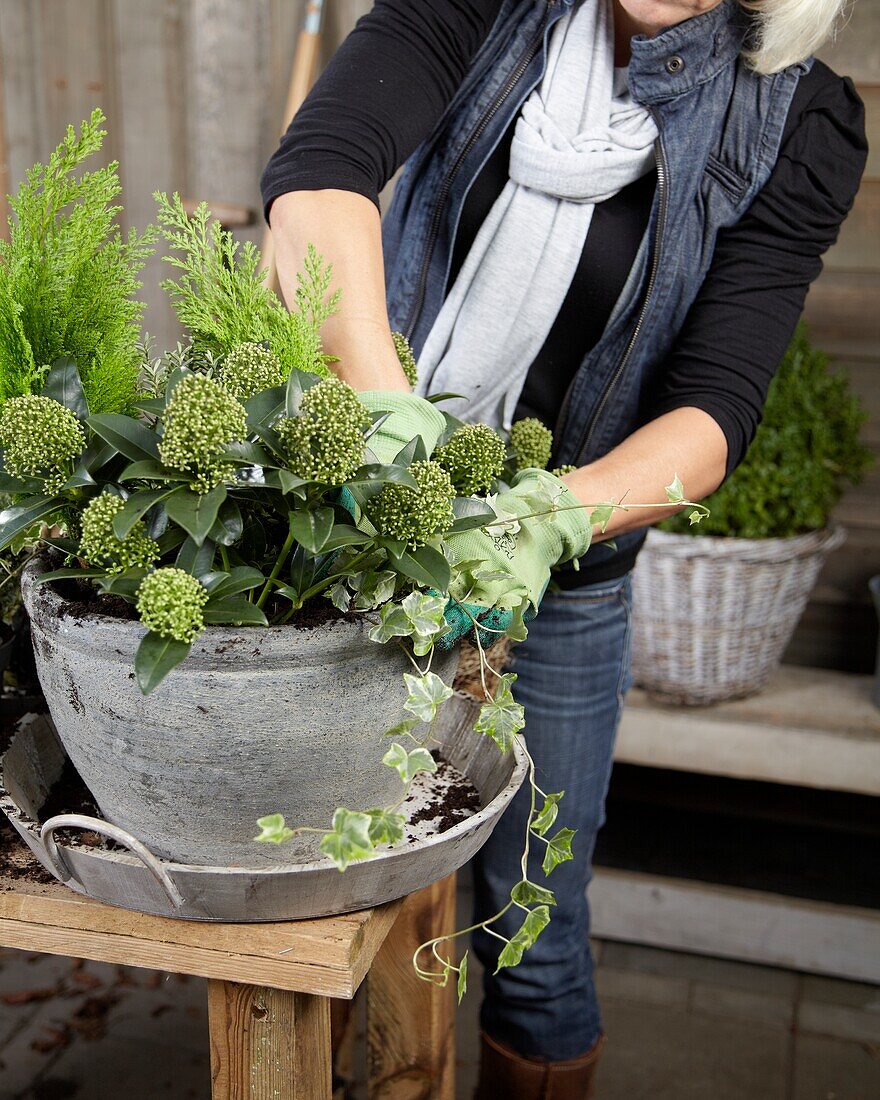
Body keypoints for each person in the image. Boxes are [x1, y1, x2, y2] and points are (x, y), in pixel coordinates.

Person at [262, 0, 866, 1094]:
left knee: (530, 936)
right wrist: (393, 431)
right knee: (300, 888)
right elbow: (320, 180)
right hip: (353, 535)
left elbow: (715, 410)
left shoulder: (797, 119)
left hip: (563, 583)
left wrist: (543, 520)